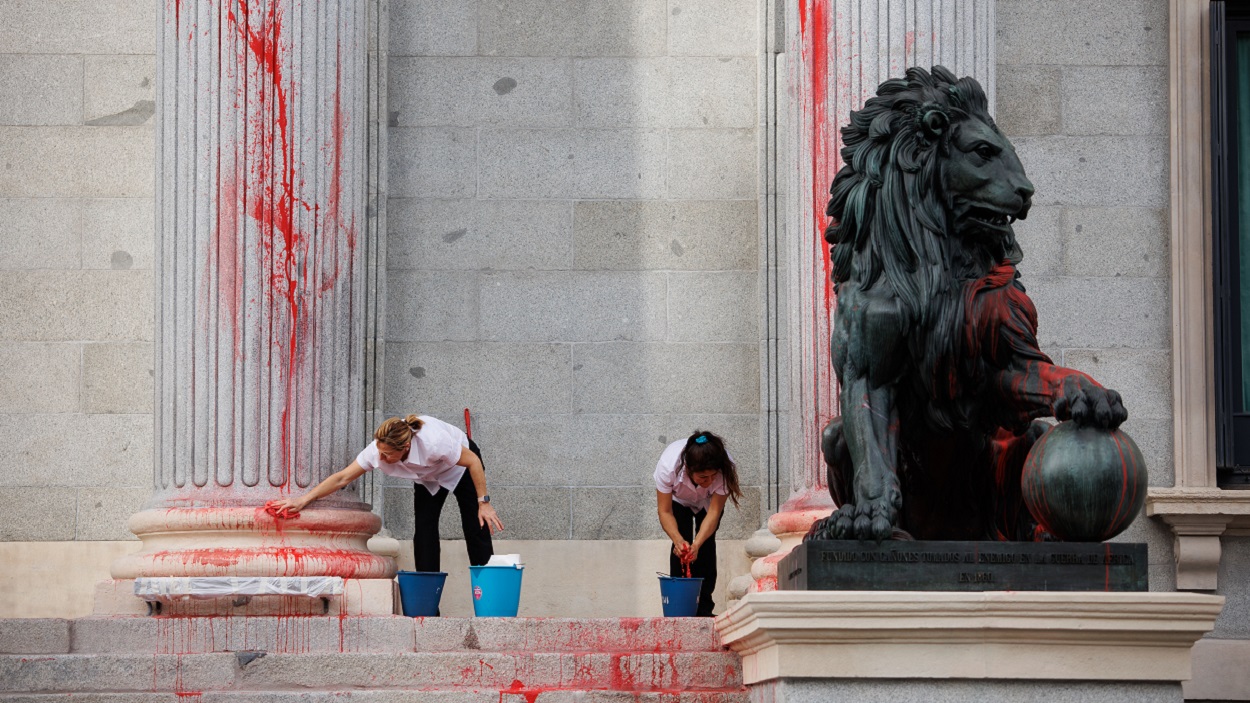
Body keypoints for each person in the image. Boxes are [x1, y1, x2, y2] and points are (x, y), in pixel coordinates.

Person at [270, 414, 504, 572]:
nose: (380, 459)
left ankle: (488, 595)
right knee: (424, 527)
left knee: (475, 524)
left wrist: (484, 502)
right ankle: (428, 600)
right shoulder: (378, 449)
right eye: (379, 452)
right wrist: (303, 500)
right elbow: (342, 477)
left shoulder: (434, 442)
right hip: (427, 476)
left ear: (405, 448)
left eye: (386, 456)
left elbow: (472, 460)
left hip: (459, 466)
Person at [654, 430, 743, 617]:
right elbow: (664, 511)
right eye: (703, 478)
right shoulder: (668, 465)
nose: (709, 481)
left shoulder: (725, 468)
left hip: (708, 503)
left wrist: (697, 544)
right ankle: (680, 608)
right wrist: (680, 541)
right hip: (678, 502)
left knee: (705, 547)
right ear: (688, 469)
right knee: (682, 546)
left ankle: (704, 607)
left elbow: (714, 512)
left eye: (713, 476)